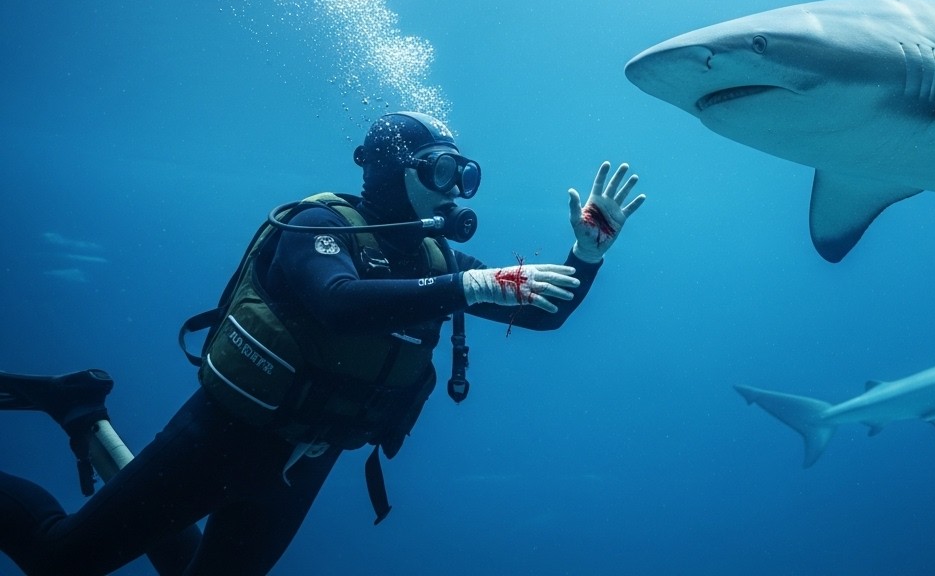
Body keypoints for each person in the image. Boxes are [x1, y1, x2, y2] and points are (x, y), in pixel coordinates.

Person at [0, 111, 646, 576]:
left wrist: (585, 257)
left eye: (464, 175)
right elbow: (337, 302)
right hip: (224, 437)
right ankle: (79, 415)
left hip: (307, 458)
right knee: (60, 561)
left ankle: (85, 413)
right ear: (398, 169)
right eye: (443, 170)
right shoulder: (316, 226)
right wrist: (472, 284)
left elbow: (543, 316)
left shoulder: (436, 256)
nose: (454, 189)